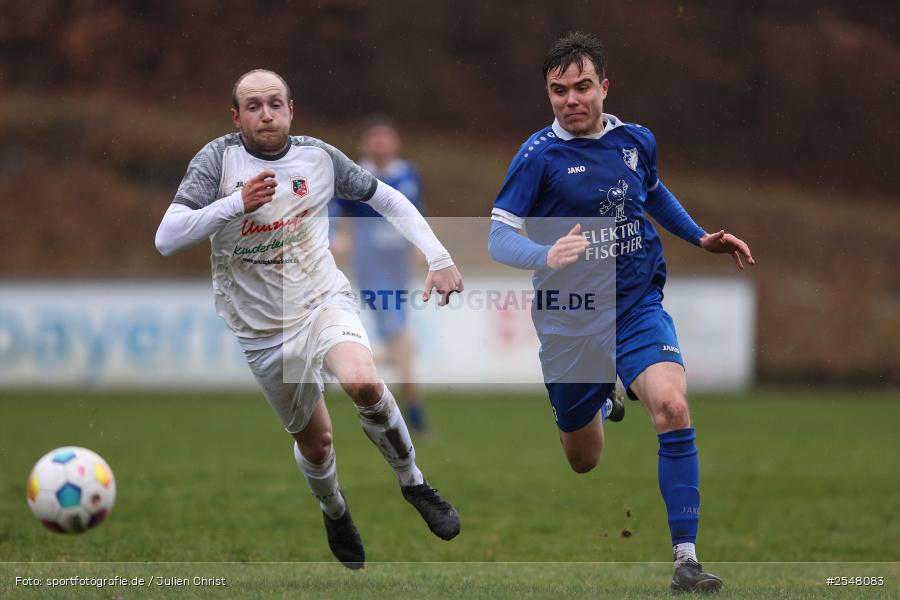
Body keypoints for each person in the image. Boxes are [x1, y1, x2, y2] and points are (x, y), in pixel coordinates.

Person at [155, 69, 463, 569]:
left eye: (275, 103)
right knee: (317, 444)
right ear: (237, 117)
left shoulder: (318, 157)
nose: (266, 113)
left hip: (322, 299)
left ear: (291, 109)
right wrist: (235, 204)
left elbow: (385, 196)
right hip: (260, 330)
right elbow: (167, 237)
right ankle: (334, 508)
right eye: (253, 106)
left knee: (363, 381)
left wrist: (438, 254)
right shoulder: (218, 160)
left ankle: (414, 483)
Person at [488, 32, 754, 593]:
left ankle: (686, 559)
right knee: (583, 460)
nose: (571, 100)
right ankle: (605, 399)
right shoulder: (538, 156)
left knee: (673, 408)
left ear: (603, 86)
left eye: (582, 87)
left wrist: (700, 237)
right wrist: (544, 254)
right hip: (569, 318)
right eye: (558, 91)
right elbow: (496, 239)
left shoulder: (636, 141)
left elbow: (653, 193)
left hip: (635, 303)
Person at [329, 117, 429, 433]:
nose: (380, 143)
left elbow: (417, 212)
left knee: (400, 345)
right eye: (374, 138)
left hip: (399, 271)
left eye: (386, 138)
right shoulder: (353, 175)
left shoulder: (409, 174)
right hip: (370, 270)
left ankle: (342, 364)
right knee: (402, 338)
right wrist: (334, 237)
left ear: (395, 142)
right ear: (364, 144)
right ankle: (414, 414)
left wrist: (422, 244)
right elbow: (333, 210)